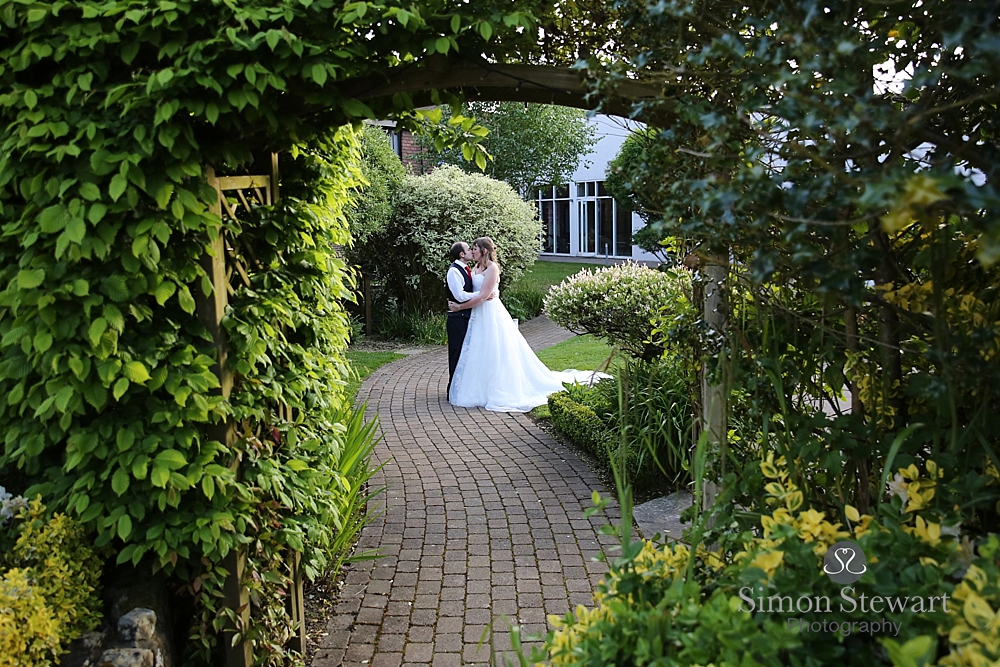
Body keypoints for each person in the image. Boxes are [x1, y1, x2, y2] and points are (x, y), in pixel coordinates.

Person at [448, 237, 606, 412]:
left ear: (484, 251)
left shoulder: (492, 269)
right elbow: (477, 293)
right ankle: (478, 387)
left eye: (475, 249)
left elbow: (484, 296)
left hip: (490, 312)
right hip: (478, 314)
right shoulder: (476, 268)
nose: (473, 251)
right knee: (479, 348)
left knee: (495, 348)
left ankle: (497, 387)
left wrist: (460, 307)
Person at [445, 241, 492, 392]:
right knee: (457, 354)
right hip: (457, 319)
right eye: (469, 249)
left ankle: (465, 388)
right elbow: (459, 295)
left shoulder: (470, 269)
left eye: (474, 249)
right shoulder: (454, 271)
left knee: (467, 354)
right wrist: (483, 294)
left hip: (469, 316)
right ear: (462, 254)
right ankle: (453, 390)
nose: (472, 251)